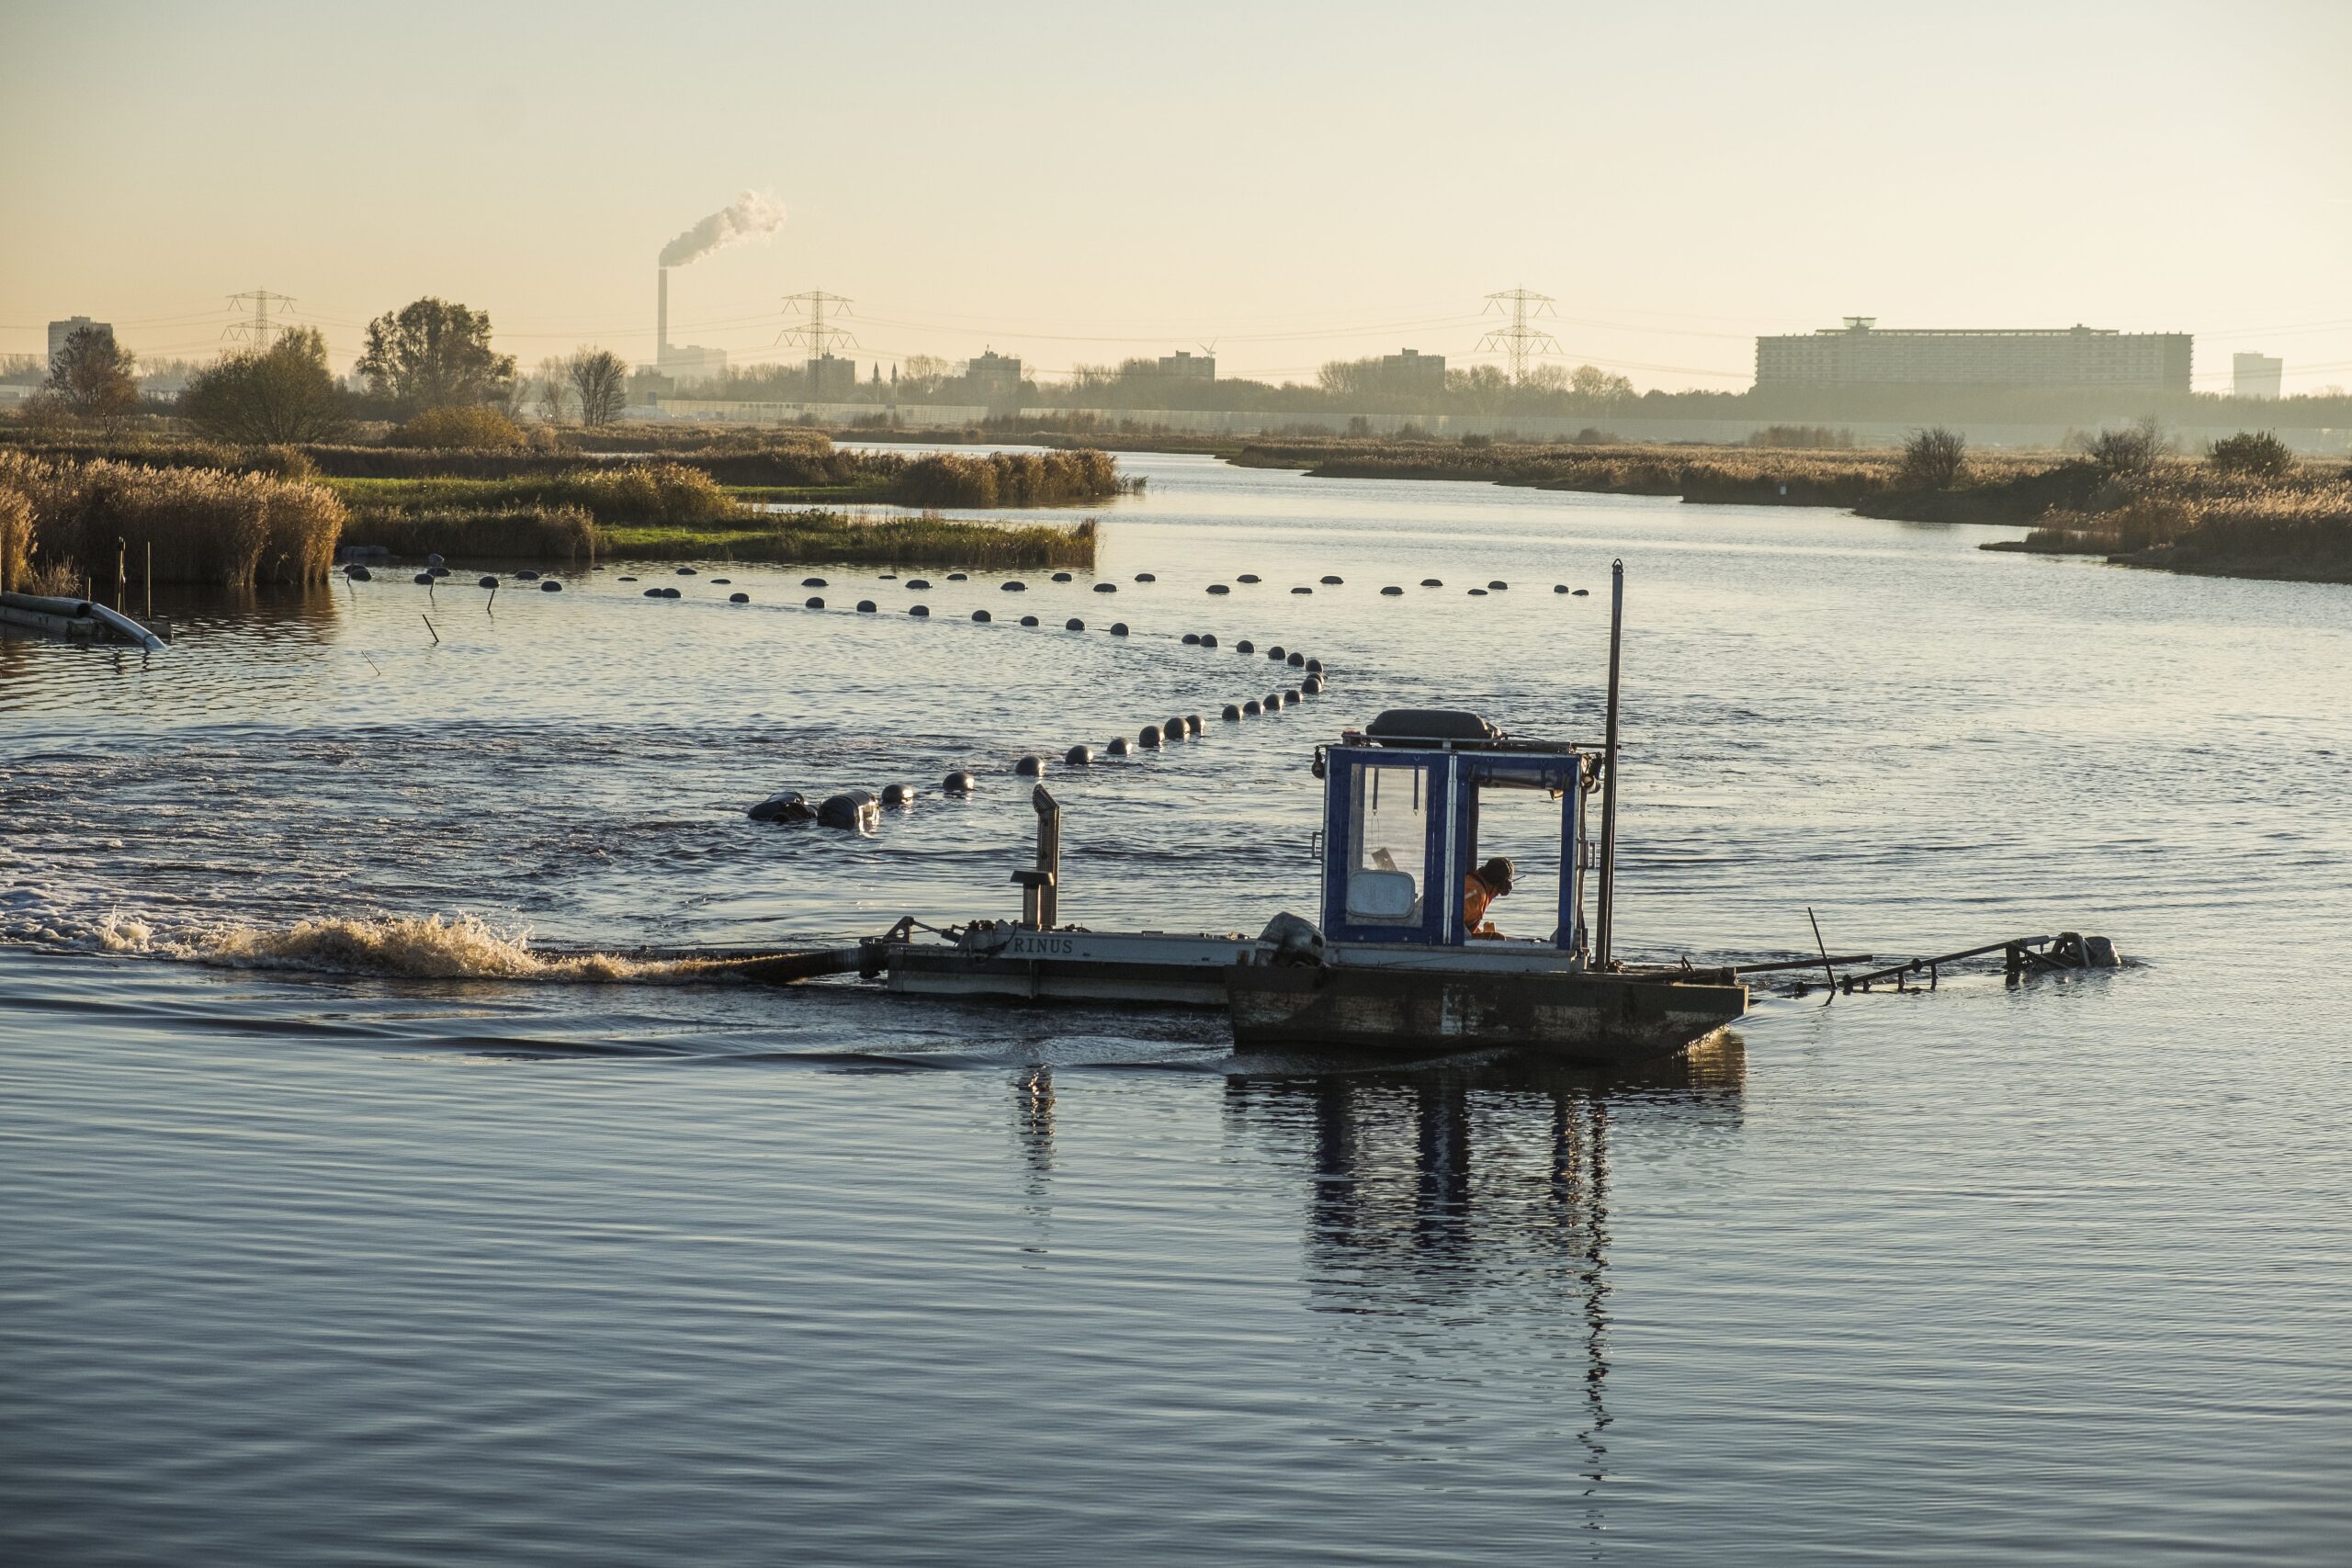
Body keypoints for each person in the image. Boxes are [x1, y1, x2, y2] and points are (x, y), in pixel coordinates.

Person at [1462, 856, 1514, 935]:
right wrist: (1479, 937)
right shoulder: (1475, 894)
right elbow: (1452, 922)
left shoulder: (1474, 883)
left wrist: (1480, 933)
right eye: (1498, 892)